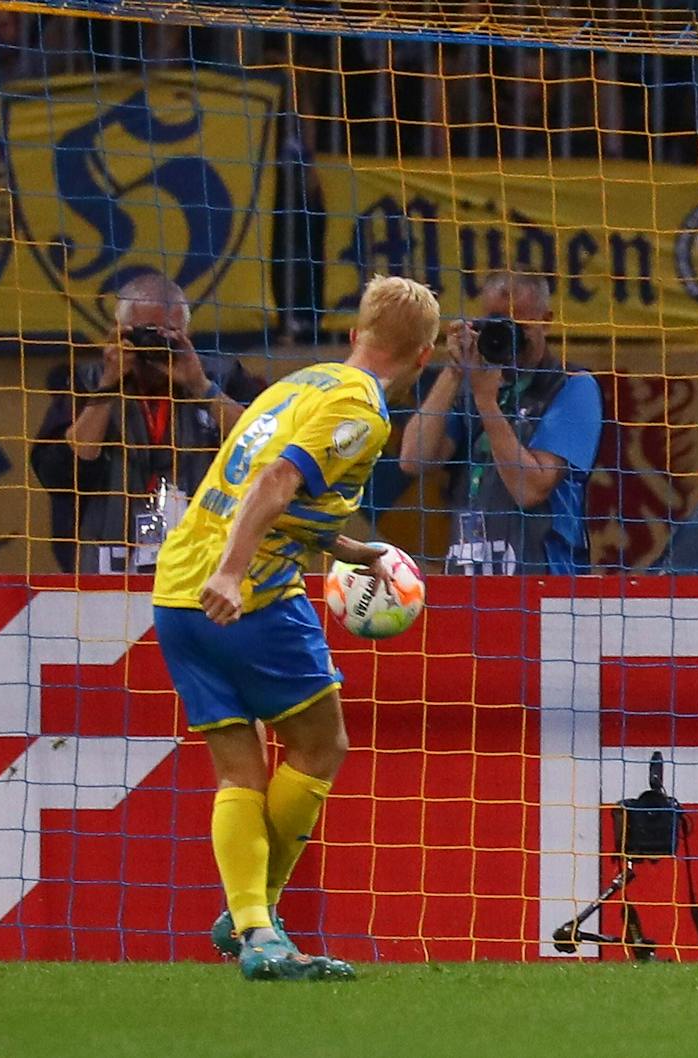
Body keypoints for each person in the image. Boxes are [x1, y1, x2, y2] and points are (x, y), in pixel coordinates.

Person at [151, 274, 439, 981]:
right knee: (320, 743)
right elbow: (276, 480)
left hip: (175, 592)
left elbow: (270, 486)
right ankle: (257, 913)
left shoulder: (299, 386)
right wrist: (231, 573)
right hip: (244, 593)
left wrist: (349, 550)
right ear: (425, 356)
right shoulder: (363, 411)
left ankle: (253, 931)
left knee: (238, 766)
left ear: (353, 335)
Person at [30, 275, 263, 574]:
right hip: (110, 558)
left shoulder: (223, 377)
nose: (155, 346)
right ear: (118, 332)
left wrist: (202, 388)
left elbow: (265, 446)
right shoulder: (87, 382)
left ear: (186, 333)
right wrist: (108, 386)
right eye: (146, 334)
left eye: (169, 334)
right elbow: (59, 476)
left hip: (205, 560)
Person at [397, 272, 603, 574]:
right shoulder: (471, 388)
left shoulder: (571, 386)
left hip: (543, 583)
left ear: (545, 320)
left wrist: (487, 403)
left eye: (518, 321)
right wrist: (455, 370)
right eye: (497, 321)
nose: (509, 333)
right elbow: (413, 459)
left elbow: (531, 489)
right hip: (468, 580)